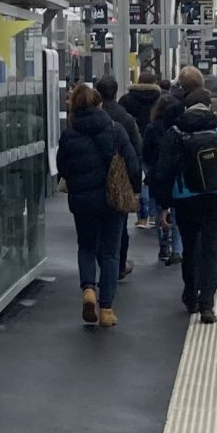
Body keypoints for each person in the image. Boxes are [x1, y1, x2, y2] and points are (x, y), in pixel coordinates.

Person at [150, 69, 217, 324]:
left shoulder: (175, 130)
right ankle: (207, 306)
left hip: (186, 196)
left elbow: (164, 170)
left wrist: (164, 204)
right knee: (212, 249)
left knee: (191, 246)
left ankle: (190, 295)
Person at [55, 83, 137, 332]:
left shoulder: (69, 134)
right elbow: (132, 164)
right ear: (99, 104)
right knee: (110, 254)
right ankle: (106, 309)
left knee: (87, 247)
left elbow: (63, 168)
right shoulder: (115, 129)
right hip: (113, 201)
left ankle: (88, 288)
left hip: (82, 201)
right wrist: (135, 191)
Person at [117, 77, 171, 262]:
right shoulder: (160, 97)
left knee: (144, 181)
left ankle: (142, 217)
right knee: (151, 181)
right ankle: (156, 218)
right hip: (155, 144)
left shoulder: (126, 100)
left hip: (134, 144)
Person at [93, 75, 141, 278]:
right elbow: (135, 152)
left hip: (92, 180)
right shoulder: (125, 119)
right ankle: (118, 265)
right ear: (115, 91)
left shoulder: (88, 116)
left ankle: (96, 271)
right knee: (119, 226)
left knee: (94, 230)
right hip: (119, 180)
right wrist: (136, 186)